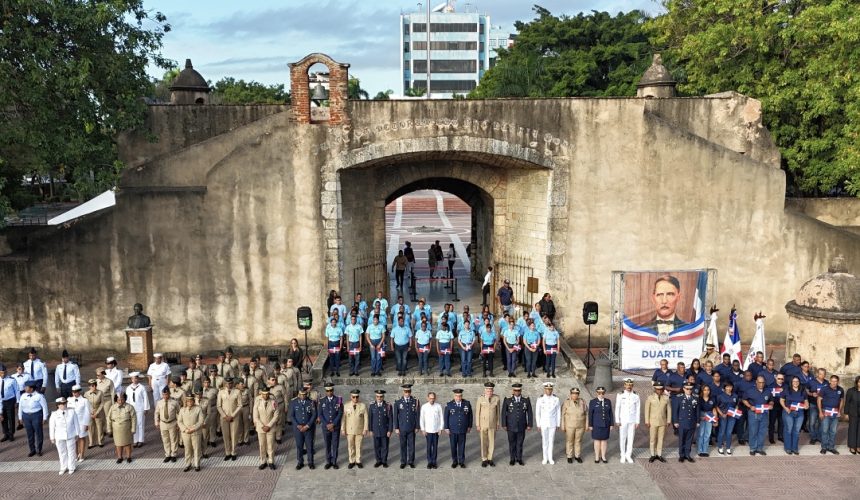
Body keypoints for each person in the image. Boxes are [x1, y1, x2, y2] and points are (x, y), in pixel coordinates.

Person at [501, 383, 532, 466]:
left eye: (518, 390)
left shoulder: (526, 399)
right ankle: (512, 458)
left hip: (522, 425)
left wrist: (530, 424)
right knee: (512, 443)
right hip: (511, 425)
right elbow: (504, 412)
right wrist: (504, 424)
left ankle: (519, 458)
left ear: (521, 391)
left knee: (520, 443)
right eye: (515, 390)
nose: (517, 392)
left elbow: (530, 412)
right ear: (513, 391)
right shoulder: (507, 399)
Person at [742, 375, 773, 456]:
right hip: (753, 413)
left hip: (765, 413)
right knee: (753, 431)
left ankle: (760, 448)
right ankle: (753, 448)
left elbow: (771, 400)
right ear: (756, 382)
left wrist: (771, 404)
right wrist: (749, 406)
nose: (761, 384)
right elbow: (744, 399)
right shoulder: (750, 390)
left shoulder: (768, 391)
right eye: (759, 382)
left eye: (763, 382)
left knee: (762, 431)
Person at [49, 397, 80, 475]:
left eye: (64, 403)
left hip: (70, 434)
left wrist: (77, 433)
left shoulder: (72, 412)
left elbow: (76, 423)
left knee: (71, 451)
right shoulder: (54, 414)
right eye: (62, 404)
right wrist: (52, 437)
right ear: (58, 405)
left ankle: (71, 467)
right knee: (61, 452)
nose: (64, 405)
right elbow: (52, 426)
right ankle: (63, 467)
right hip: (59, 436)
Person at [289, 388, 318, 469]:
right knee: (299, 446)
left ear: (307, 394)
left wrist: (307, 426)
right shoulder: (294, 402)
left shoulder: (311, 402)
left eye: (304, 394)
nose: (303, 396)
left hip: (308, 428)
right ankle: (300, 462)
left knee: (309, 446)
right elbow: (291, 415)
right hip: (298, 429)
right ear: (299, 394)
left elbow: (314, 415)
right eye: (301, 394)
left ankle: (311, 462)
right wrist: (298, 425)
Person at [444, 388, 472, 468]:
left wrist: (469, 426)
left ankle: (461, 461)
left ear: (462, 396)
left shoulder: (467, 403)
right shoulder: (449, 404)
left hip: (463, 429)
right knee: (453, 446)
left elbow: (470, 416)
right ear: (454, 396)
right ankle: (454, 461)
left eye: (460, 396)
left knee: (462, 446)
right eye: (456, 396)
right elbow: (446, 417)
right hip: (453, 429)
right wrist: (446, 427)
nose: (458, 398)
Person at [18, 380, 48, 456]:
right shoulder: (23, 395)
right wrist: (20, 417)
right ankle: (32, 450)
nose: (25, 388)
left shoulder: (39, 396)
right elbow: (20, 407)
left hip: (36, 415)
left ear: (31, 388)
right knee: (29, 434)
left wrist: (45, 417)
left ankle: (39, 449)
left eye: (26, 387)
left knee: (38, 433)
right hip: (26, 416)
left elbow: (44, 407)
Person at [643, 382, 671, 463]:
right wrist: (647, 421)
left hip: (662, 421)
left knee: (661, 439)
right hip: (653, 421)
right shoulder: (650, 398)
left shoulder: (666, 398)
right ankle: (652, 454)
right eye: (657, 389)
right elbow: (647, 410)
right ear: (655, 389)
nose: (659, 391)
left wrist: (668, 420)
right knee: (652, 439)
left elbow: (669, 410)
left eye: (660, 389)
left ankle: (659, 454)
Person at [393, 383, 419, 468]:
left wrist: (417, 426)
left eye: (408, 391)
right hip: (402, 427)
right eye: (405, 391)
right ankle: (403, 461)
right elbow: (395, 415)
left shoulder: (415, 401)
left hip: (411, 427)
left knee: (411, 445)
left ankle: (411, 461)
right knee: (403, 445)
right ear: (403, 392)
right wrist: (396, 427)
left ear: (410, 392)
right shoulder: (398, 402)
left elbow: (417, 415)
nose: (407, 393)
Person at [615, 378, 640, 464]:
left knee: (631, 438)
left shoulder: (636, 395)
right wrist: (617, 420)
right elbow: (617, 408)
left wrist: (637, 421)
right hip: (623, 420)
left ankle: (628, 455)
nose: (629, 387)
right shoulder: (620, 395)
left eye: (630, 385)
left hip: (632, 420)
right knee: (622, 437)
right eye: (627, 385)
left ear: (632, 386)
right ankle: (622, 454)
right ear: (624, 385)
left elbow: (638, 409)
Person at [318, 383, 344, 469]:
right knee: (327, 444)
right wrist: (327, 425)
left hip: (335, 427)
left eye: (331, 390)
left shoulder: (338, 400)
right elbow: (320, 414)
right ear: (325, 391)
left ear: (333, 390)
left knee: (335, 444)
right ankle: (328, 461)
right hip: (326, 427)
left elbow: (340, 413)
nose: (329, 392)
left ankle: (334, 462)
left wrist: (333, 424)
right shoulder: (322, 401)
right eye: (327, 391)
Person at [818, 374, 845, 455]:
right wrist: (820, 412)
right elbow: (819, 400)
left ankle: (831, 447)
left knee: (833, 431)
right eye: (832, 381)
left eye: (835, 381)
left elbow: (842, 401)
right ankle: (824, 447)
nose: (834, 383)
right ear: (830, 381)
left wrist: (840, 411)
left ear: (838, 382)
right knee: (825, 430)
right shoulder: (824, 389)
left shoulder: (840, 389)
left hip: (835, 413)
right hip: (825, 412)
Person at [475, 382, 501, 467]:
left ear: (493, 390)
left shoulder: (496, 398)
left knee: (492, 442)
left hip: (492, 423)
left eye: (491, 390)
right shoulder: (480, 399)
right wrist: (477, 424)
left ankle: (490, 458)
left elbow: (498, 412)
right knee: (483, 442)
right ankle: (484, 458)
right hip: (483, 424)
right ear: (485, 390)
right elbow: (477, 412)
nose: (489, 392)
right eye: (488, 390)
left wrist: (497, 423)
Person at [152, 386, 180, 463]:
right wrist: (156, 422)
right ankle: (167, 454)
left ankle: (173, 454)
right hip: (163, 423)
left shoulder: (175, 402)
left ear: (169, 394)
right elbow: (156, 413)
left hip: (172, 422)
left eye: (167, 394)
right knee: (165, 439)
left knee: (173, 439)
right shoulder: (159, 402)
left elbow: (179, 413)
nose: (165, 396)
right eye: (164, 394)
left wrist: (178, 423)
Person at [780, 376, 807, 455]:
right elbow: (781, 400)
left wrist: (807, 405)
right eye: (794, 381)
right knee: (789, 430)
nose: (796, 383)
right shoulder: (786, 390)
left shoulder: (802, 390)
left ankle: (795, 448)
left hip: (800, 413)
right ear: (791, 382)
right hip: (789, 412)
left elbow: (806, 400)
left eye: (797, 381)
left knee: (797, 431)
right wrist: (785, 408)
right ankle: (788, 448)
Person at [672, 383, 699, 462]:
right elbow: (675, 411)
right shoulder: (679, 398)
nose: (689, 390)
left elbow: (697, 411)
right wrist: (676, 421)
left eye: (690, 389)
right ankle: (681, 455)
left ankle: (687, 454)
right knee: (682, 439)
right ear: (683, 389)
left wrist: (697, 421)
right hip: (682, 422)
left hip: (692, 422)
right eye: (687, 389)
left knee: (689, 439)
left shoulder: (695, 398)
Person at [535, 382, 561, 465]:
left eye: (550, 389)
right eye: (547, 389)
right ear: (544, 390)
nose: (548, 391)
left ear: (552, 390)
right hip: (543, 423)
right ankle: (545, 458)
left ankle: (550, 457)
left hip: (552, 423)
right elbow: (537, 413)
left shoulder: (556, 399)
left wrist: (558, 424)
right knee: (544, 441)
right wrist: (538, 424)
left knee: (551, 441)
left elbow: (558, 412)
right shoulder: (540, 399)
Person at [560, 387, 587, 463]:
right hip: (570, 425)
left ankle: (577, 456)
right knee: (570, 441)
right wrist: (562, 425)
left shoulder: (582, 402)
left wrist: (587, 424)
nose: (575, 395)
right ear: (570, 394)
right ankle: (569, 456)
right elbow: (562, 415)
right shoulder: (566, 402)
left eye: (576, 394)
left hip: (580, 425)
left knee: (578, 441)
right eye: (573, 394)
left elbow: (586, 414)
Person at [108, 392, 136, 463]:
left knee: (127, 443)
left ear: (125, 399)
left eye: (122, 399)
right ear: (116, 400)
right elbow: (108, 419)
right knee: (118, 444)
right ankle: (120, 457)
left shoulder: (129, 407)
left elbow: (133, 418)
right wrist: (109, 429)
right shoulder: (112, 407)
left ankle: (129, 457)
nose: (120, 401)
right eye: (118, 400)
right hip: (116, 428)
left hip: (126, 427)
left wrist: (133, 428)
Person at [217, 377, 242, 461]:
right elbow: (219, 406)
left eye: (230, 383)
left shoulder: (237, 392)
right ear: (225, 384)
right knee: (225, 435)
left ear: (233, 383)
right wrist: (224, 416)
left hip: (234, 417)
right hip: (224, 417)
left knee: (234, 435)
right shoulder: (221, 392)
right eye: (227, 383)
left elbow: (240, 405)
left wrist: (232, 415)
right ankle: (227, 452)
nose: (229, 385)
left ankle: (233, 452)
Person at [343, 389, 368, 469]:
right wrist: (343, 429)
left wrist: (365, 429)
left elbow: (366, 418)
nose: (355, 399)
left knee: (359, 446)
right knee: (351, 446)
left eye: (357, 397)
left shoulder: (363, 405)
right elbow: (343, 419)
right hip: (349, 430)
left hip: (359, 429)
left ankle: (358, 460)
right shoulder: (346, 406)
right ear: (351, 397)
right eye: (353, 397)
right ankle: (351, 460)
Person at [587, 386, 613, 463]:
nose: (601, 394)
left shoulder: (608, 401)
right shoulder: (593, 402)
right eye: (599, 393)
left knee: (604, 441)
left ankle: (603, 456)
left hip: (606, 424)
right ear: (596, 393)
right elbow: (590, 414)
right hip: (596, 424)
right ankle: (597, 456)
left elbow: (610, 413)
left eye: (602, 393)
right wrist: (590, 425)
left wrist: (611, 424)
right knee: (597, 441)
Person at [369, 389, 393, 468]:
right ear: (376, 397)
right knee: (377, 446)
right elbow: (370, 419)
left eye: (381, 396)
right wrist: (370, 430)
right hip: (375, 430)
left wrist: (389, 430)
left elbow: (390, 419)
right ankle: (378, 460)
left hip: (384, 430)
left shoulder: (388, 405)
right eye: (378, 397)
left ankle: (384, 461)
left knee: (385, 446)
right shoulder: (372, 406)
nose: (379, 398)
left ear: (383, 397)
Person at [67, 384, 91, 463]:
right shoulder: (69, 400)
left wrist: (86, 423)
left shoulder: (85, 400)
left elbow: (87, 412)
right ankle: (76, 454)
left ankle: (82, 454)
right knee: (74, 439)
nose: (74, 393)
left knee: (81, 438)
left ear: (79, 392)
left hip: (81, 422)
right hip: (72, 423)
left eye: (76, 392)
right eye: (73, 392)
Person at [420, 391, 444, 469]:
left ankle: (434, 461)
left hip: (436, 430)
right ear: (427, 398)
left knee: (435, 446)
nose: (432, 400)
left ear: (435, 398)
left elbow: (441, 418)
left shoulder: (438, 406)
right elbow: (422, 419)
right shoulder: (424, 406)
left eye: (433, 398)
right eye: (430, 398)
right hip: (428, 430)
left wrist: (441, 428)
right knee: (429, 446)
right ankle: (429, 461)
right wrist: (423, 429)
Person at [125, 372, 149, 447]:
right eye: (133, 378)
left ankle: (140, 440)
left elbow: (145, 398)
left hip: (140, 408)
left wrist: (146, 408)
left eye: (136, 378)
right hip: (132, 408)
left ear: (138, 379)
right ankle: (135, 440)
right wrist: (127, 409)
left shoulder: (142, 387)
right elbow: (127, 399)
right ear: (131, 379)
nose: (135, 380)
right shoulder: (128, 388)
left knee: (140, 424)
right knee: (133, 424)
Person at [806, 366, 828, 445]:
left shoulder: (827, 383)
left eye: (823, 374)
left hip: (823, 405)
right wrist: (811, 394)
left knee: (820, 422)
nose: (822, 375)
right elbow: (806, 390)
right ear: (817, 374)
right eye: (820, 374)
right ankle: (813, 437)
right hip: (813, 404)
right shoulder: (811, 381)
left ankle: (818, 437)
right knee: (812, 422)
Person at [696, 384, 717, 457]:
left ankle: (705, 450)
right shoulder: (699, 398)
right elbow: (697, 410)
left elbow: (714, 409)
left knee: (707, 434)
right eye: (705, 390)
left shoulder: (712, 399)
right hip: (701, 414)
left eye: (708, 390)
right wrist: (699, 417)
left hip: (710, 415)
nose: (706, 391)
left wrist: (715, 420)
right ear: (702, 391)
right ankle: (699, 450)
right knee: (701, 434)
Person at [0, 363, 19, 442]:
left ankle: (11, 434)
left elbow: (17, 391)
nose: (3, 374)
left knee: (11, 417)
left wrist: (17, 401)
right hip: (1, 401)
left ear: (6, 372)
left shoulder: (12, 380)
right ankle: (6, 434)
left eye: (4, 372)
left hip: (10, 401)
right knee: (3, 418)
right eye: (1, 372)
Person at [84, 379, 105, 448]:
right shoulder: (86, 394)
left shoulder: (100, 393)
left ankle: (100, 441)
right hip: (89, 412)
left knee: (99, 427)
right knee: (90, 428)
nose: (94, 387)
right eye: (92, 386)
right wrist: (90, 413)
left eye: (95, 385)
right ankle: (91, 442)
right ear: (89, 386)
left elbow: (102, 403)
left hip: (98, 411)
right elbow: (85, 405)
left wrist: (97, 412)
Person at [768, 372, 785, 444]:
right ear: (776, 378)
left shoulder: (786, 386)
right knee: (772, 422)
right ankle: (771, 437)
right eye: (779, 378)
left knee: (781, 422)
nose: (780, 380)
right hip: (774, 406)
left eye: (782, 379)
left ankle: (780, 436)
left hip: (782, 406)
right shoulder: (771, 386)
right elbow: (768, 396)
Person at [845, 375, 860, 455]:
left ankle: (858, 446)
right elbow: (847, 402)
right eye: (859, 382)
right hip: (853, 413)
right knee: (852, 430)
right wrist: (846, 413)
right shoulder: (851, 391)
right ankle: (852, 446)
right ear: (857, 382)